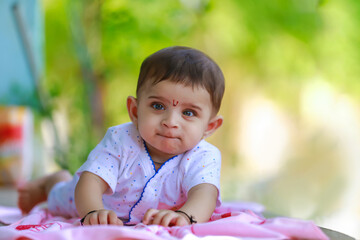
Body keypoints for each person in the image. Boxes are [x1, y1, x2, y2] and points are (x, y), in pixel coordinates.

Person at [17, 46, 225, 227]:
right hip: (86, 199)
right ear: (135, 111)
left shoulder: (205, 156)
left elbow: (204, 195)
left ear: (209, 126)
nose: (171, 121)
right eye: (158, 106)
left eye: (189, 113)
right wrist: (93, 212)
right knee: (59, 199)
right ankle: (53, 182)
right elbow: (90, 183)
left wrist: (184, 217)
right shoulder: (121, 139)